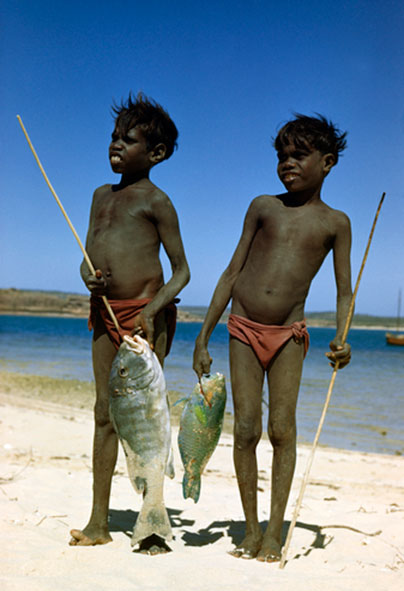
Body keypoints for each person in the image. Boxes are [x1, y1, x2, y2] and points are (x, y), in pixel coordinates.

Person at [193, 114, 352, 562]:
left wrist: (342, 338)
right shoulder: (263, 206)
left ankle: (275, 532)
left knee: (282, 430)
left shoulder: (336, 223)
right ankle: (249, 528)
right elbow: (231, 272)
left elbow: (344, 291)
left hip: (289, 335)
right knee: (246, 429)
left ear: (328, 162)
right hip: (242, 327)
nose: (288, 163)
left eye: (299, 156)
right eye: (282, 156)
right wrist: (203, 335)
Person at [69, 93, 190, 554]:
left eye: (129, 139)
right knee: (105, 413)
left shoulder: (158, 201)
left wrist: (153, 308)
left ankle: (152, 521)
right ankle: (99, 520)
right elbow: (86, 257)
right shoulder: (102, 195)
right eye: (114, 137)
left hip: (146, 317)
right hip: (104, 315)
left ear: (156, 153)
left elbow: (181, 271)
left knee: (149, 419)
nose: (116, 145)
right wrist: (89, 279)